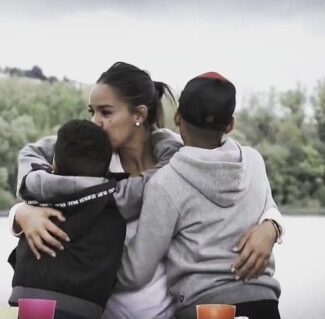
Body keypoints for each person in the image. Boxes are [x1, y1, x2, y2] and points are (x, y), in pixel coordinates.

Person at [8, 62, 284, 318]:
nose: (95, 123)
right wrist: (20, 213)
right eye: (91, 112)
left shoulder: (181, 160)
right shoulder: (87, 163)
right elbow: (51, 194)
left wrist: (271, 226)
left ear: (139, 115)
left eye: (106, 112)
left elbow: (242, 189)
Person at [116, 72, 282, 319]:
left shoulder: (165, 183)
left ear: (177, 118)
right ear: (230, 125)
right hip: (263, 304)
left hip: (204, 310)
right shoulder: (255, 163)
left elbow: (136, 271)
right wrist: (274, 228)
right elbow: (270, 211)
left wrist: (86, 264)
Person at [8, 119, 128, 319]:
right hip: (82, 308)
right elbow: (158, 178)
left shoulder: (38, 186)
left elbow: (29, 151)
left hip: (29, 300)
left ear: (54, 161)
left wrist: (68, 142)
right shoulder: (118, 196)